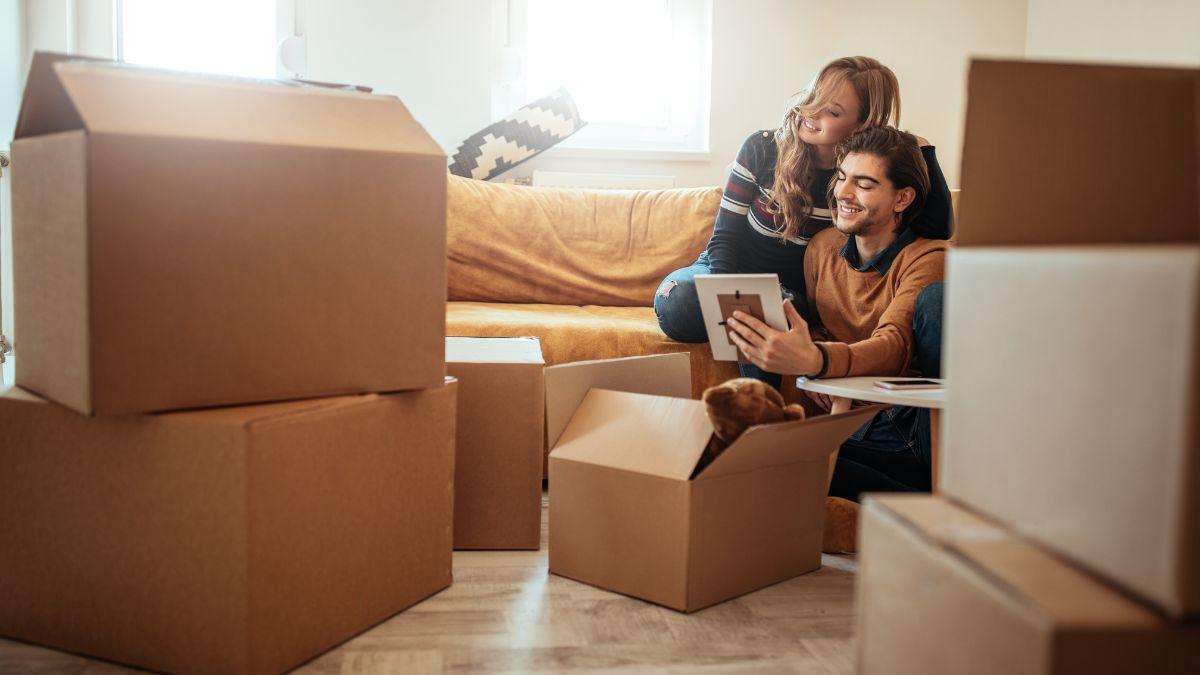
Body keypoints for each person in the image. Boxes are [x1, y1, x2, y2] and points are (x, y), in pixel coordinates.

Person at [653, 56, 951, 384]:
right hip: (725, 268)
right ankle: (749, 329)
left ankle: (760, 402)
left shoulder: (852, 179)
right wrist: (726, 295)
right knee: (677, 299)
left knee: (773, 310)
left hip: (789, 293)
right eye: (813, 97)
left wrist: (922, 149)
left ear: (861, 125)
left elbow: (937, 227)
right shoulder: (761, 148)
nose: (811, 112)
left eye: (832, 111)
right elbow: (724, 238)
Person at [725, 126, 947, 500]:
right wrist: (811, 349)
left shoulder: (928, 257)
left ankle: (932, 490)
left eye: (864, 184)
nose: (843, 192)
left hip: (907, 426)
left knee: (780, 467)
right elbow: (821, 325)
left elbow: (894, 344)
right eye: (842, 177)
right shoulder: (822, 248)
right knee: (751, 458)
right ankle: (911, 500)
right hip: (849, 424)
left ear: (902, 198)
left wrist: (818, 360)